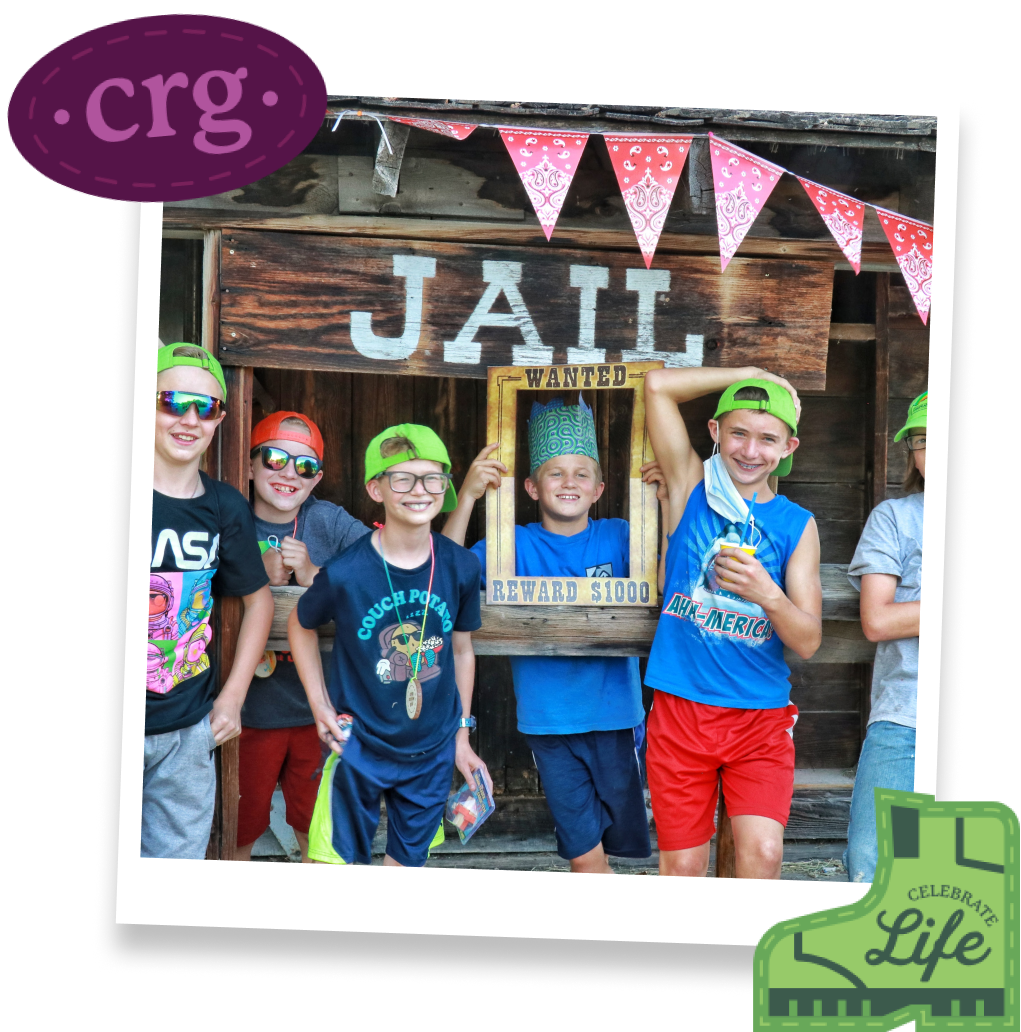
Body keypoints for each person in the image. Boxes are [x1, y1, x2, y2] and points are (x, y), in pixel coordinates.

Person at [442, 395, 660, 873]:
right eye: (555, 473)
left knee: (614, 853)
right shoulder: (512, 544)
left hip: (617, 721)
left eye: (581, 474)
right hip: (549, 724)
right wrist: (469, 496)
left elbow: (669, 574)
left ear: (599, 489)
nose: (568, 482)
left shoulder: (621, 536)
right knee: (584, 859)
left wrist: (668, 498)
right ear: (531, 487)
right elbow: (443, 569)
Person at [643, 366, 822, 878]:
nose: (750, 450)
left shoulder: (797, 524)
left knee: (764, 855)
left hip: (759, 718)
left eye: (767, 439)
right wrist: (755, 373)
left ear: (788, 447)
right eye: (738, 433)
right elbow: (656, 386)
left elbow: (808, 640)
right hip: (682, 709)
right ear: (715, 432)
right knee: (683, 867)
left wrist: (768, 594)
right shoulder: (690, 487)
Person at [288, 424, 490, 866]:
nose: (419, 490)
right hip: (357, 745)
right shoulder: (346, 572)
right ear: (375, 488)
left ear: (445, 486)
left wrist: (461, 736)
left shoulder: (460, 566)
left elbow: (461, 652)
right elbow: (299, 623)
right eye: (402, 478)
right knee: (333, 868)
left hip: (432, 750)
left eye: (432, 478)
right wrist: (320, 707)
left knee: (405, 870)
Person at [146, 344, 274, 859]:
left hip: (186, 732)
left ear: (220, 419)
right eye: (173, 402)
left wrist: (233, 696)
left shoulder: (225, 506)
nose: (189, 419)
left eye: (206, 407)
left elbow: (259, 602)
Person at [235, 411, 371, 862]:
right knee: (237, 831)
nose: (290, 473)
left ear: (317, 479)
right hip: (246, 712)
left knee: (317, 835)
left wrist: (316, 574)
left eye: (306, 465)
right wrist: (256, 578)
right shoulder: (230, 516)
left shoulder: (327, 520)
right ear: (249, 463)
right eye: (275, 459)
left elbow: (383, 571)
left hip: (320, 712)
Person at [845, 391, 927, 883]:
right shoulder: (894, 517)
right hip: (904, 717)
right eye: (921, 439)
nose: (930, 449)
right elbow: (878, 620)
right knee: (871, 871)